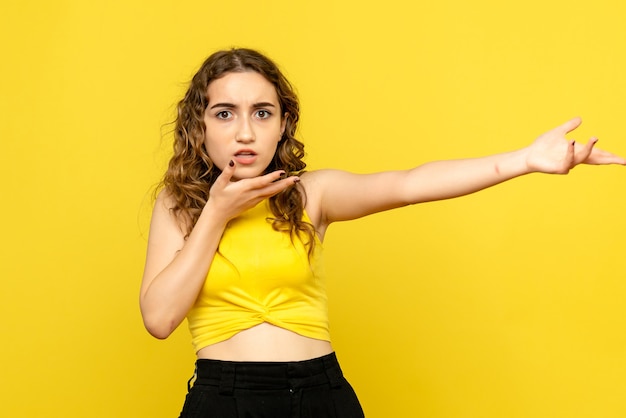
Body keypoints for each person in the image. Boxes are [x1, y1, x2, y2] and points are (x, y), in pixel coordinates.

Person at [140, 48, 625, 418]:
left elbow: (409, 184)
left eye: (262, 113)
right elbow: (159, 319)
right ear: (199, 126)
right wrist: (217, 214)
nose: (245, 132)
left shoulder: (311, 194)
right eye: (224, 113)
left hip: (320, 393)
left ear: (283, 123)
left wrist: (522, 161)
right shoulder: (180, 204)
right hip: (224, 398)